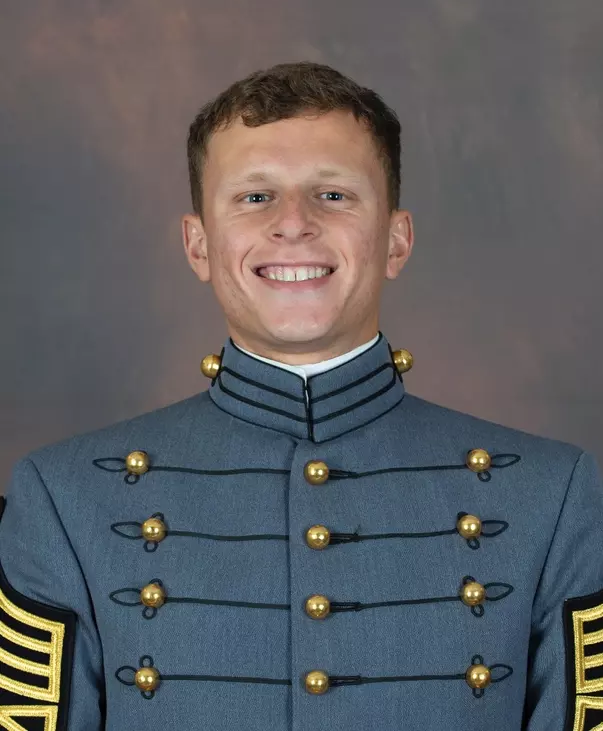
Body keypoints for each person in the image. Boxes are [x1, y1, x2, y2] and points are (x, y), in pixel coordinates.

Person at [0, 61, 601, 731]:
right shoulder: (63, 500)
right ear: (198, 245)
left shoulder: (553, 498)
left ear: (396, 240)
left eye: (333, 194)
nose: (293, 223)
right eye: (255, 196)